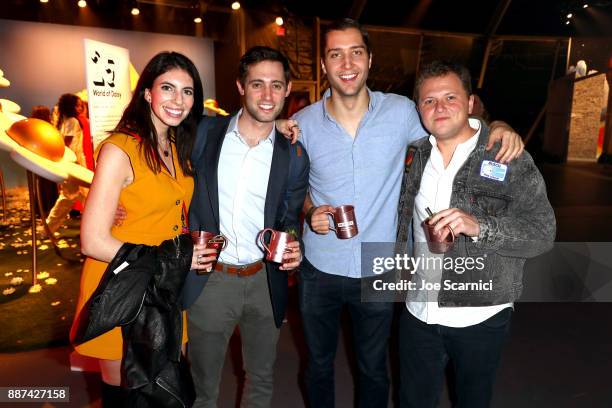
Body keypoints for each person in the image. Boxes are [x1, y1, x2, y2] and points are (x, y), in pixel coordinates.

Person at [292, 18, 525, 408]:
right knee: (317, 365)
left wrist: (497, 125)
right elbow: (294, 186)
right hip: (320, 267)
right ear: (323, 64)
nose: (346, 63)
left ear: (369, 59)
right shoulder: (303, 123)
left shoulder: (401, 112)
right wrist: (310, 210)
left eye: (356, 52)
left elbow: (452, 118)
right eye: (336, 54)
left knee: (373, 367)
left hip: (377, 265)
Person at [395, 60, 556, 408]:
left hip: (480, 313)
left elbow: (543, 233)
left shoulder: (507, 155)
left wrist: (479, 227)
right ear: (418, 108)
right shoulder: (414, 154)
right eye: (428, 100)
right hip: (418, 312)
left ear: (470, 103)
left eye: (450, 97)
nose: (439, 107)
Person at [69, 51, 214, 406]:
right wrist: (176, 259)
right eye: (167, 88)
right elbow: (92, 240)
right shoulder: (121, 149)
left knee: (164, 391)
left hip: (163, 290)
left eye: (187, 91)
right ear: (147, 93)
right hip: (120, 286)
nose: (178, 100)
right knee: (125, 395)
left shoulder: (176, 146)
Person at [181, 46, 309, 408]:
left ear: (286, 90)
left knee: (261, 380)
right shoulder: (205, 133)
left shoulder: (294, 155)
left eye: (275, 85)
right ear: (240, 86)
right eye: (257, 84)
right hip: (211, 280)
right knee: (202, 386)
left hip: (263, 283)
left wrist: (294, 244)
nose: (267, 95)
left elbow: (289, 218)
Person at [45, 93, 88, 234]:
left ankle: (95, 227)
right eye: (77, 105)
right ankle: (48, 228)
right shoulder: (72, 121)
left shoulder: (64, 121)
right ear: (71, 106)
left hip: (74, 163)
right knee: (68, 197)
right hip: (74, 164)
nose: (80, 108)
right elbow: (67, 144)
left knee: (85, 196)